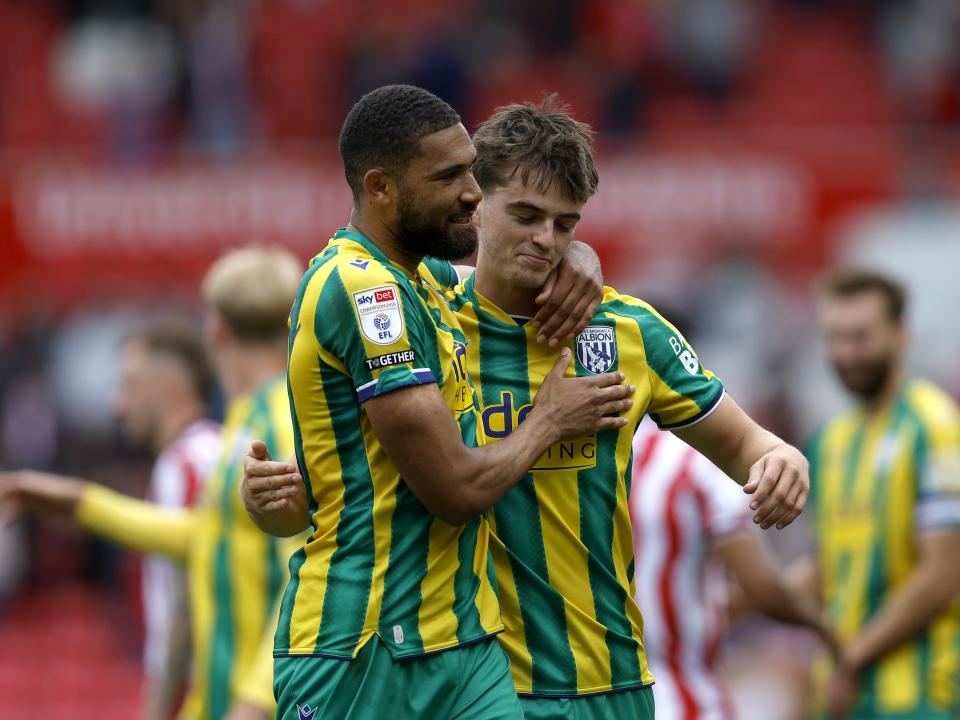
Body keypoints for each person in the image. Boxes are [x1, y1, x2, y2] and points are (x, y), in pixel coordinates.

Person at [242, 94, 811, 720]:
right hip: (481, 676)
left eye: (565, 225)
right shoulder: (428, 316)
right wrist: (274, 500)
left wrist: (780, 459)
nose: (545, 240)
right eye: (526, 214)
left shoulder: (625, 332)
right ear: (476, 204)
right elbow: (342, 485)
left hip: (612, 676)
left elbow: (745, 443)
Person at [255, 83, 633, 720]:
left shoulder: (423, 279)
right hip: (364, 647)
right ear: (381, 188)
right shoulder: (364, 290)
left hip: (465, 642)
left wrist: (577, 253)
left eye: (474, 173)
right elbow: (454, 492)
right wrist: (550, 419)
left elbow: (503, 268)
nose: (473, 194)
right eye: (450, 176)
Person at [0, 245, 304, 720]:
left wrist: (254, 703)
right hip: (222, 701)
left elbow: (305, 573)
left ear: (215, 330)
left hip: (271, 706)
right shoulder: (244, 425)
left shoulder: (282, 421)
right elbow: (209, 536)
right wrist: (73, 502)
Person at [788, 270, 960, 719]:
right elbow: (829, 566)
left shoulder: (935, 427)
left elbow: (943, 572)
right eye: (835, 338)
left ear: (902, 335)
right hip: (845, 693)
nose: (846, 353)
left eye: (861, 337)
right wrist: (742, 600)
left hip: (920, 697)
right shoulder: (829, 441)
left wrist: (853, 656)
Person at [630, 415, 833, 720]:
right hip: (685, 697)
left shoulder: (602, 454)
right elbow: (763, 588)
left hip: (606, 697)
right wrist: (831, 634)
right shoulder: (697, 458)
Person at [116, 319, 222, 720]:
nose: (117, 404)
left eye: (129, 386)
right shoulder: (213, 451)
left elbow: (188, 602)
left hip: (201, 698)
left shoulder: (186, 466)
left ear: (171, 388)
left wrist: (158, 709)